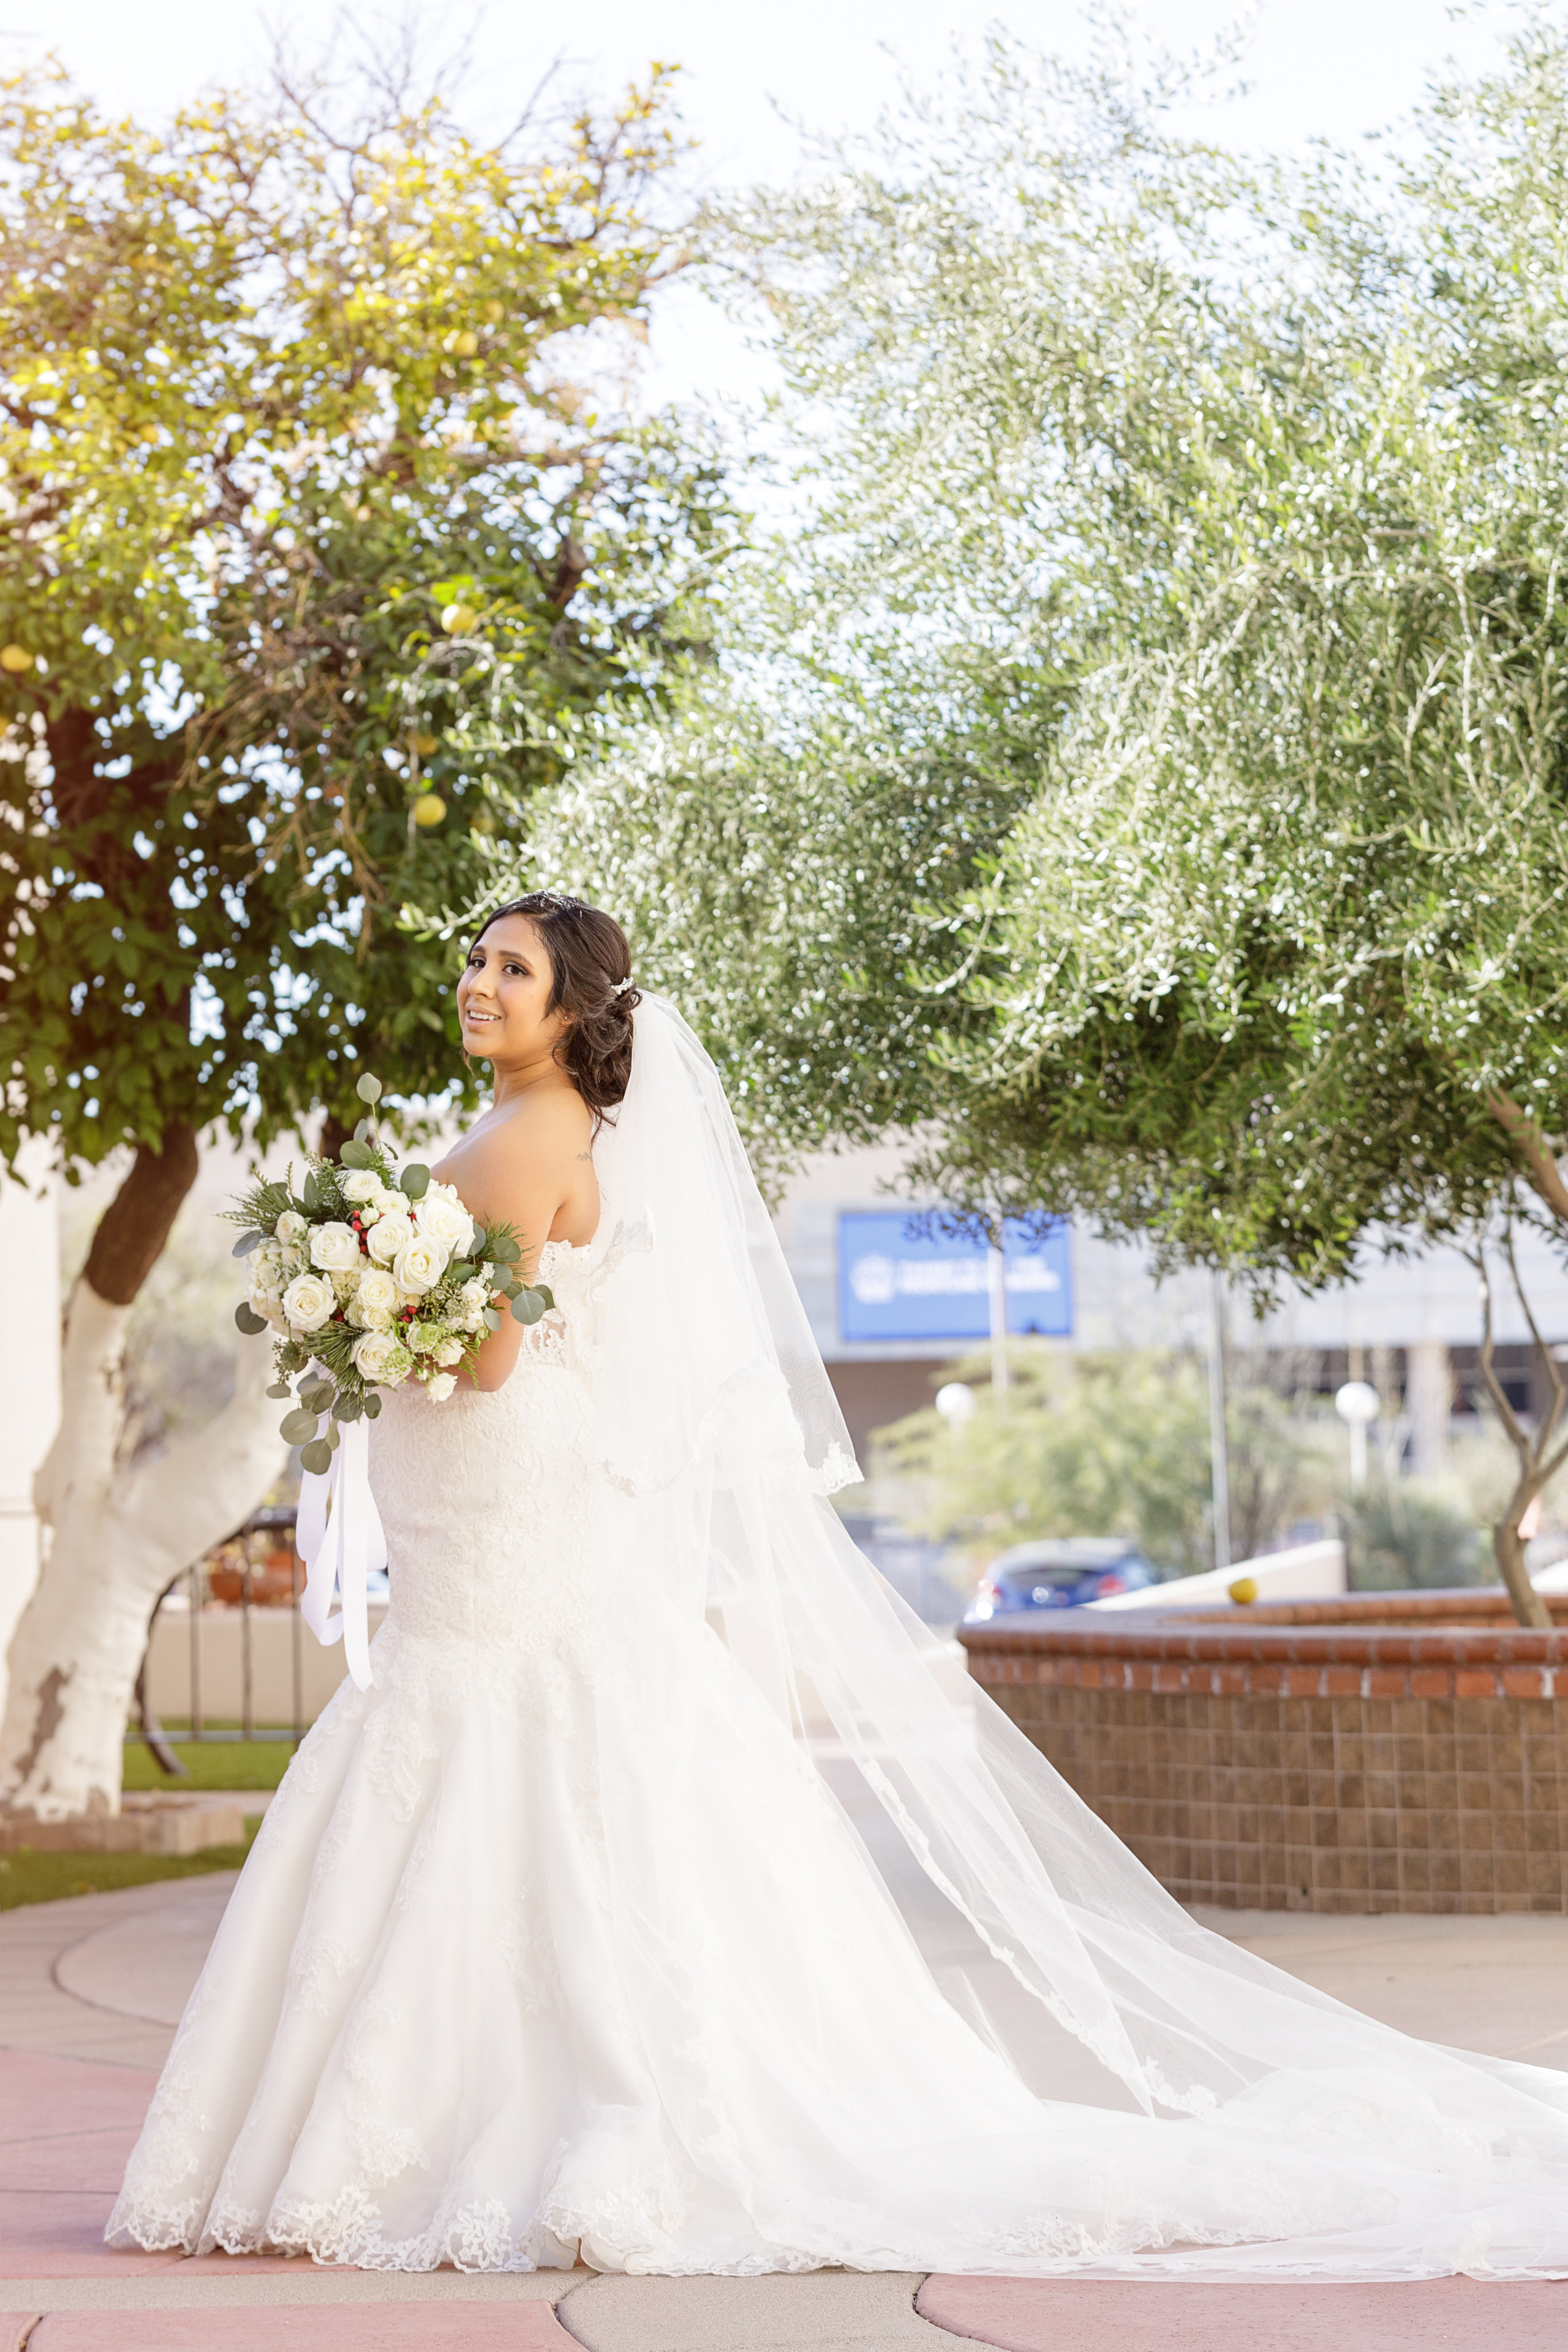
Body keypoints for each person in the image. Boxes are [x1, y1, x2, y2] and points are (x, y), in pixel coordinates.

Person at [108, 892, 1568, 2281]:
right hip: (529, 1507)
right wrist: (377, 1295)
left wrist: (372, 1318)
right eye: (478, 963)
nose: (480, 986)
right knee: (552, 1752)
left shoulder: (508, 1145)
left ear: (571, 1013)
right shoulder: (560, 1131)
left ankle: (427, 2121)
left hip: (503, 1505)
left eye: (512, 972)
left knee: (484, 1739)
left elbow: (484, 1359)